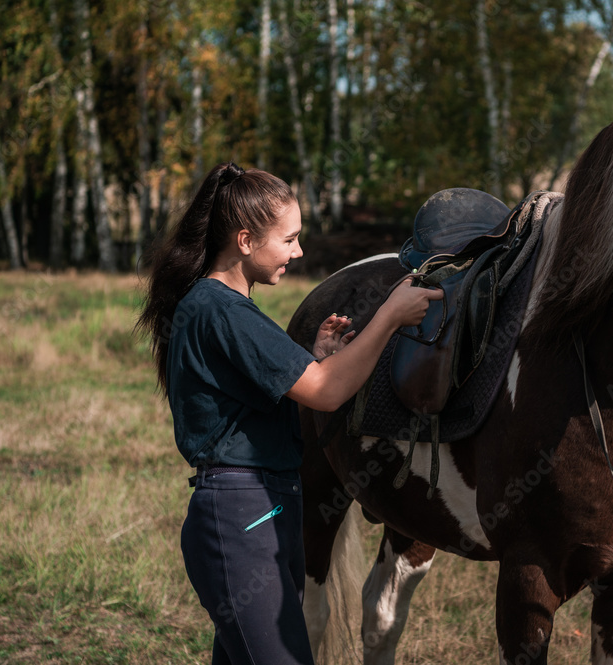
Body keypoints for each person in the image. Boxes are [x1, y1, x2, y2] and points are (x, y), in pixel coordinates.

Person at [136, 162, 442, 665]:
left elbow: (282, 386)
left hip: (257, 510)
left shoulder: (226, 307)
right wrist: (389, 315)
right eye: (289, 239)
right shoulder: (223, 310)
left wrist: (316, 357)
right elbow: (325, 393)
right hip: (243, 518)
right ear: (245, 240)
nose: (299, 251)